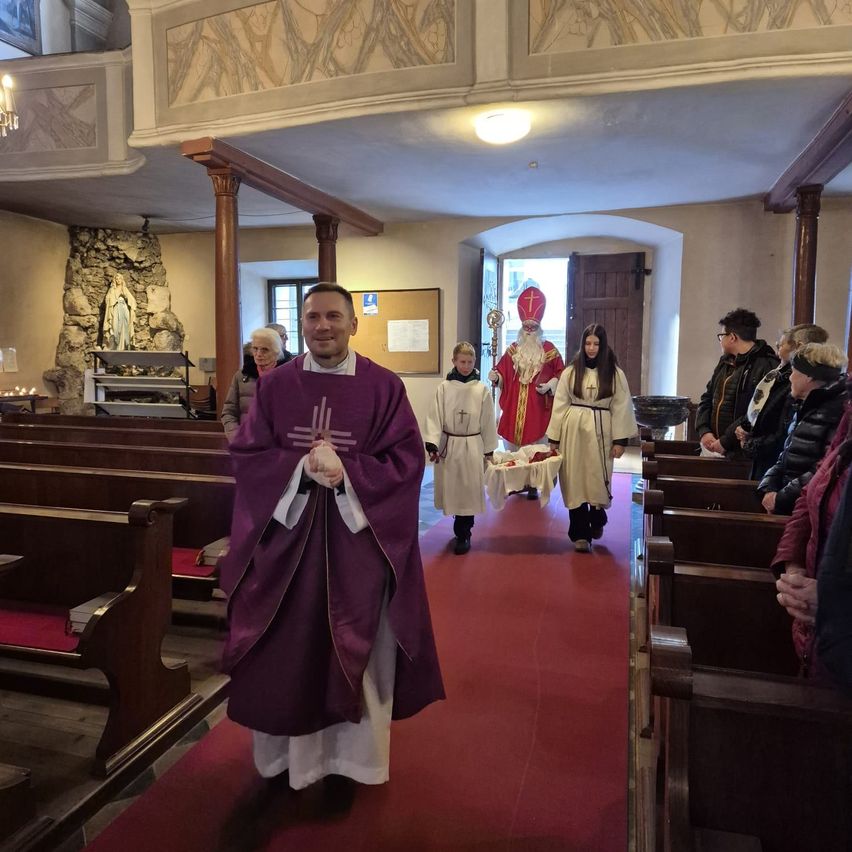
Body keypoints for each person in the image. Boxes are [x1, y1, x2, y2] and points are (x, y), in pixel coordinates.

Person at [219, 282, 444, 796]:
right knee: (288, 651)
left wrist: (348, 472)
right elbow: (248, 456)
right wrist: (299, 468)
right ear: (301, 324)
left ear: (353, 324)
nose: (322, 326)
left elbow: (407, 463)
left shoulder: (384, 387)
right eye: (313, 317)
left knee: (356, 649)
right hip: (287, 549)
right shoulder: (276, 387)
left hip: (357, 547)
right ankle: (286, 760)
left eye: (333, 317)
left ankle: (352, 762)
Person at [772, 402, 851, 681]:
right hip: (816, 640)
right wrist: (793, 566)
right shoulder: (848, 416)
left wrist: (836, 603)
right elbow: (811, 493)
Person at [546, 323, 637, 553]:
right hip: (573, 430)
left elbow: (621, 407)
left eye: (596, 343)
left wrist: (620, 441)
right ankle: (579, 533)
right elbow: (560, 405)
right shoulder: (571, 372)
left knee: (597, 477)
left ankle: (597, 518)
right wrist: (554, 438)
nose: (591, 348)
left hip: (601, 430)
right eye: (588, 343)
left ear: (603, 345)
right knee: (574, 478)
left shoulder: (614, 374)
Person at [488, 286, 565, 499]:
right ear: (521, 327)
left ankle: (533, 484)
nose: (529, 330)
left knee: (535, 447)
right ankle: (516, 483)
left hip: (538, 408)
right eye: (526, 326)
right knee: (514, 448)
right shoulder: (513, 349)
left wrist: (551, 384)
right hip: (515, 407)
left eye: (533, 326)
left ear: (539, 327)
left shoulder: (549, 349)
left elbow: (562, 372)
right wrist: (496, 377)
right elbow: (502, 370)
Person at [423, 341, 498, 555]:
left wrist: (489, 449)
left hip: (472, 444)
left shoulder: (481, 389)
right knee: (454, 488)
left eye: (470, 362)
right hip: (451, 444)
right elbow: (435, 416)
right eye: (462, 362)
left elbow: (487, 420)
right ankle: (459, 527)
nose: (466, 366)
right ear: (454, 361)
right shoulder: (444, 388)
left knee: (468, 489)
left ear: (475, 362)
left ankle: (464, 532)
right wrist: (432, 443)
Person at [757, 342, 847, 515]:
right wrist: (768, 487)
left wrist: (781, 498)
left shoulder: (837, 411)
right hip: (791, 504)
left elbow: (825, 468)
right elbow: (786, 456)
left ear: (809, 376)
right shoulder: (806, 406)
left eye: (794, 371)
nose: (790, 378)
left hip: (808, 509)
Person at [735, 323, 828, 479]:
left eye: (781, 344)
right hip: (771, 465)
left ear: (798, 347)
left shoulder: (798, 386)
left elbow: (783, 435)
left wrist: (749, 444)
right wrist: (746, 427)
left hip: (780, 467)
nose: (778, 348)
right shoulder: (780, 376)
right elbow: (761, 409)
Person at [696, 308, 779, 456]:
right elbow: (707, 397)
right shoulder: (725, 362)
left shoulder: (766, 365)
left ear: (732, 337)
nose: (720, 341)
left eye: (721, 336)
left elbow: (756, 411)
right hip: (714, 446)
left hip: (741, 452)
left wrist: (725, 441)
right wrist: (704, 431)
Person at [220, 327, 291, 442]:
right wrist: (236, 437)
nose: (258, 354)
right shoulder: (242, 376)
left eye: (265, 350)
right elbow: (229, 412)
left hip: (279, 445)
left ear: (276, 352)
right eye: (255, 349)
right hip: (246, 442)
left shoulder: (289, 376)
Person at [101, 272, 137, 350]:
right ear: (115, 280)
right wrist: (115, 298)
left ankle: (123, 346)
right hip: (116, 309)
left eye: (119, 278)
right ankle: (114, 346)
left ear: (122, 280)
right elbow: (107, 299)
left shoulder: (124, 289)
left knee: (125, 326)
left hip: (124, 309)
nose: (118, 280)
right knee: (114, 326)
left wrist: (125, 296)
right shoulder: (112, 290)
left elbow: (132, 300)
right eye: (116, 279)